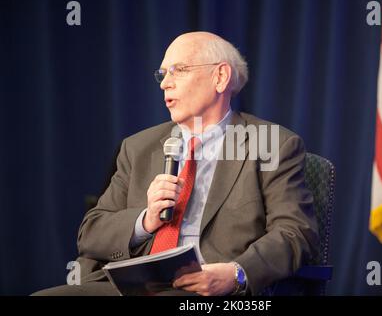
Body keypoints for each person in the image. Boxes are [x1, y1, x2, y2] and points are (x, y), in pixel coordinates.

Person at [33, 31, 319, 296]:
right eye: (162, 74)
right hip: (131, 286)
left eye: (178, 70)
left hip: (206, 289)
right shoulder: (138, 147)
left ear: (220, 77)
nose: (165, 83)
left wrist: (236, 274)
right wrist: (145, 221)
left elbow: (295, 232)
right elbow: (91, 233)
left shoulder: (269, 143)